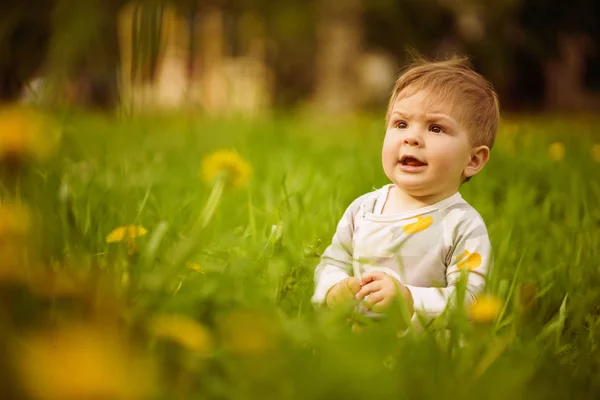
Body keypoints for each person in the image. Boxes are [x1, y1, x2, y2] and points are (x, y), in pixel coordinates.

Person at [311, 56, 499, 328]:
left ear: (473, 161)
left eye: (436, 128)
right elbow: (332, 261)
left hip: (425, 357)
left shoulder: (463, 225)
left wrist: (410, 299)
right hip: (356, 349)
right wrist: (333, 288)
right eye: (401, 124)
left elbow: (470, 301)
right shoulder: (364, 210)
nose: (411, 137)